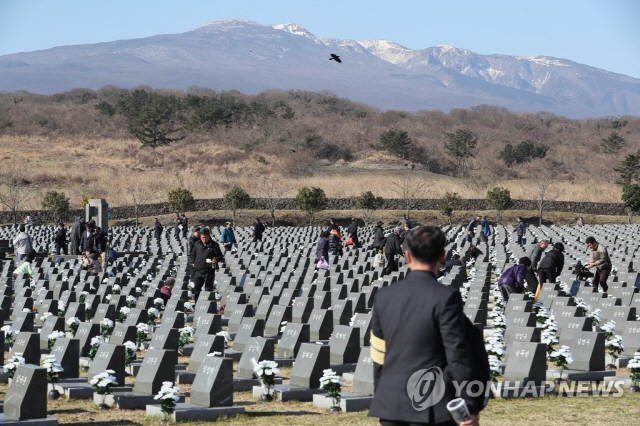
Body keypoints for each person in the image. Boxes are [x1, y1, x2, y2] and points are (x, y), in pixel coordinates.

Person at [369, 226, 487, 426]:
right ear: (442, 257)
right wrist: (469, 405)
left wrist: (383, 396)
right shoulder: (445, 297)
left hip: (391, 403)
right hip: (430, 404)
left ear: (407, 256)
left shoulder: (384, 297)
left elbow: (379, 354)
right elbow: (457, 353)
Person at [189, 228, 223, 301]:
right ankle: (197, 304)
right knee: (196, 289)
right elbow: (193, 254)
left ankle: (207, 305)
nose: (204, 239)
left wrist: (216, 259)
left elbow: (220, 256)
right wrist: (193, 261)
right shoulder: (197, 244)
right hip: (198, 270)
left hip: (209, 271)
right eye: (202, 237)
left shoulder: (214, 245)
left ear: (209, 236)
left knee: (208, 289)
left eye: (206, 237)